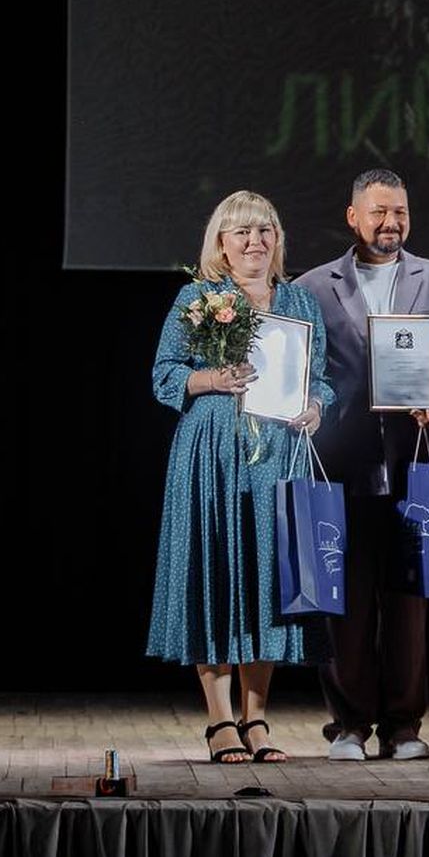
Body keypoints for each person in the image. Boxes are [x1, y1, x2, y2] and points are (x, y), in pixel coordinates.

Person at [296, 168, 429, 762]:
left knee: (408, 604)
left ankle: (404, 727)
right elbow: (301, 368)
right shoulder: (311, 287)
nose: (391, 223)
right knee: (343, 602)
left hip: (414, 463)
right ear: (353, 217)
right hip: (340, 464)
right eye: (378, 212)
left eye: (399, 212)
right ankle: (349, 725)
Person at [146, 190, 331, 764]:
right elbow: (164, 374)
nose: (255, 241)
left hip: (278, 455)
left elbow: (321, 379)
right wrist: (213, 379)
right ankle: (219, 719)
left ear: (278, 239)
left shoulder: (300, 302)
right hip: (211, 455)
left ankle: (257, 717)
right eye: (242, 232)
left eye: (265, 230)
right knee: (215, 572)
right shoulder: (198, 298)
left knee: (267, 580)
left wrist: (316, 407)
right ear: (221, 244)